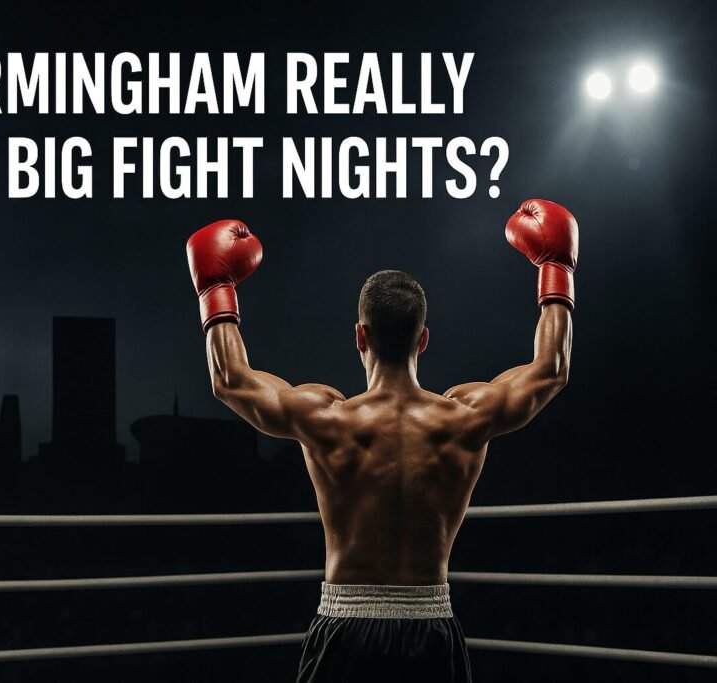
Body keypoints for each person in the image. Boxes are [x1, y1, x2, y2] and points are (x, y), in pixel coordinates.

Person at [185, 199, 577, 682]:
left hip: (345, 628)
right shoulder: (463, 416)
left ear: (359, 336)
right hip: (430, 625)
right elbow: (550, 370)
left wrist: (217, 288)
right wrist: (556, 268)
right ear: (424, 339)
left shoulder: (326, 417)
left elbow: (230, 379)